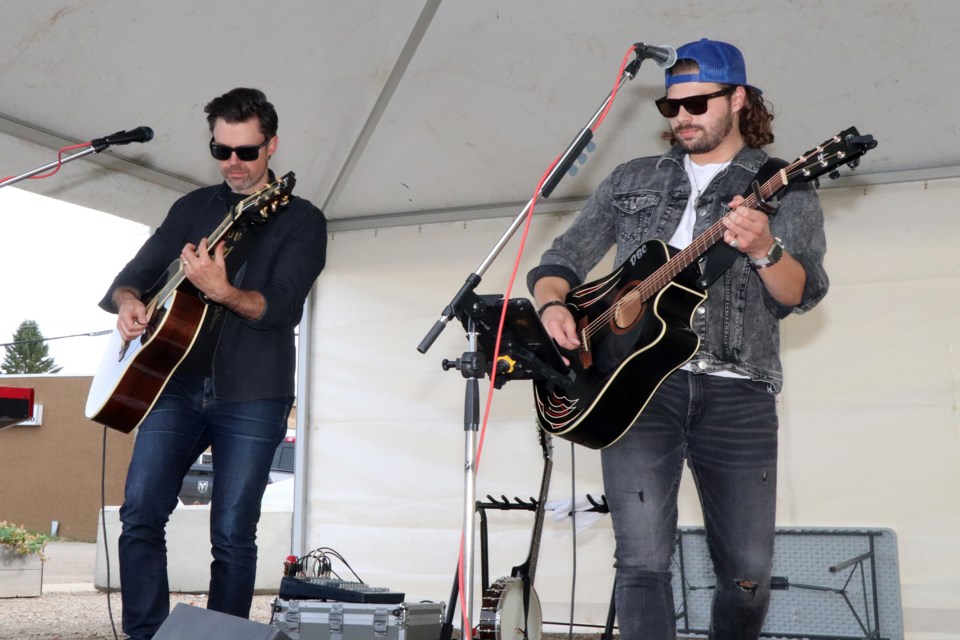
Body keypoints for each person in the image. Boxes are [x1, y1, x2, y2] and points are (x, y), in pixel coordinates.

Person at [527, 39, 828, 639]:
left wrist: (764, 247)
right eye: (672, 107)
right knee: (640, 564)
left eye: (697, 104)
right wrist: (554, 302)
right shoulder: (633, 179)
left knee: (748, 576)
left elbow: (802, 291)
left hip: (739, 389)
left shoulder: (783, 184)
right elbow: (562, 257)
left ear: (738, 99)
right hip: (637, 393)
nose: (683, 117)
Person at [99, 87, 327, 639]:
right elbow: (132, 276)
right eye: (221, 150)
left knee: (231, 531)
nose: (233, 164)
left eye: (246, 152)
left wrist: (222, 290)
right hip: (170, 384)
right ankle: (146, 633)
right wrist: (130, 304)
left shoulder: (302, 220)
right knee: (141, 514)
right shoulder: (192, 208)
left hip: (253, 390)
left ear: (271, 146)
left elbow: (280, 308)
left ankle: (220, 635)